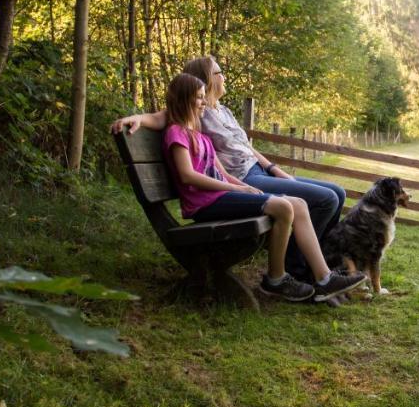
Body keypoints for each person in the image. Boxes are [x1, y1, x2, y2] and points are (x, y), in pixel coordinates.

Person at [113, 56, 349, 282]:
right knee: (325, 199)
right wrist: (136, 118)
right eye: (219, 72)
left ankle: (320, 263)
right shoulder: (196, 112)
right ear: (206, 79)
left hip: (259, 171)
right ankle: (298, 268)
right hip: (242, 178)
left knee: (338, 193)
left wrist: (275, 169)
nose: (224, 77)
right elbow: (162, 116)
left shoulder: (222, 110)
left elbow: (245, 147)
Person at [148, 72, 366, 303]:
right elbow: (187, 175)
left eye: (204, 96)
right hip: (204, 204)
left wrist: (244, 187)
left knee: (299, 205)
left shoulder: (200, 136)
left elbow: (221, 172)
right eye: (199, 98)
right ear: (184, 100)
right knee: (283, 207)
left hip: (220, 196)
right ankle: (276, 279)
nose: (204, 102)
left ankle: (324, 279)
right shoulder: (176, 133)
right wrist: (237, 190)